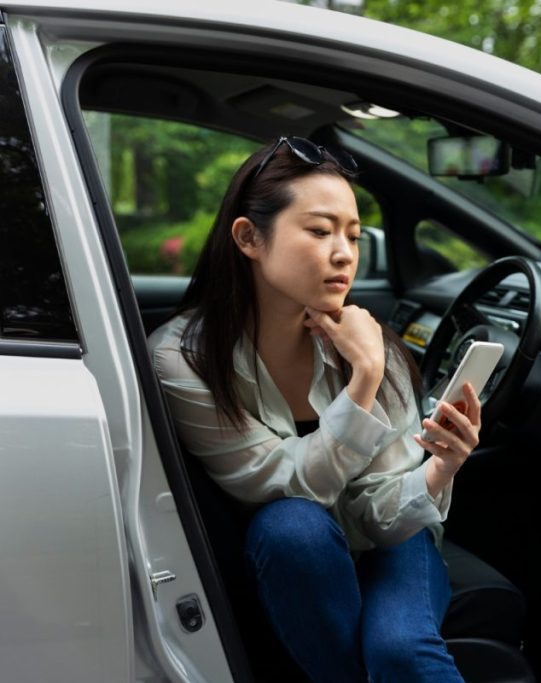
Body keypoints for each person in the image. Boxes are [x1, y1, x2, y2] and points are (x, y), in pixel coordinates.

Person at [147, 136, 479, 682]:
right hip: (297, 555)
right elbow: (281, 485)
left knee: (399, 650)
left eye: (352, 234)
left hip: (388, 540)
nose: (345, 252)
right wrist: (363, 381)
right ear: (249, 237)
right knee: (291, 525)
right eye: (320, 231)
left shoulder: (372, 341)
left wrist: (442, 466)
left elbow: (382, 513)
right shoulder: (183, 358)